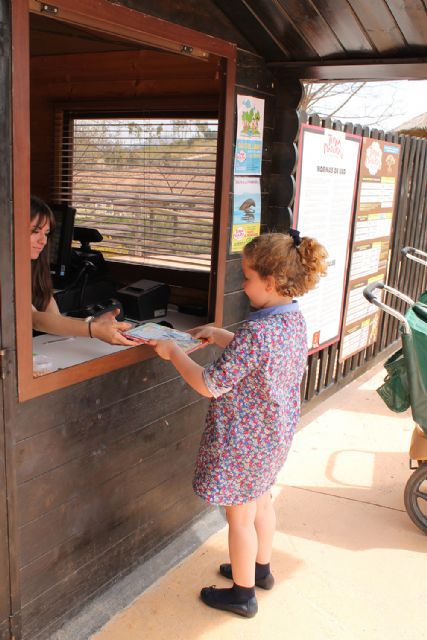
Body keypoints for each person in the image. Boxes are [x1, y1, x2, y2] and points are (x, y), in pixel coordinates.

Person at [148, 231, 328, 618]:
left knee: (239, 518)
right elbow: (260, 357)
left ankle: (243, 594)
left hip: (245, 442)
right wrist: (219, 336)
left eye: (246, 278)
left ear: (272, 281)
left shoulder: (256, 332)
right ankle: (260, 569)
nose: (242, 285)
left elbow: (208, 385)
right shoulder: (291, 318)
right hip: (272, 437)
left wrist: (173, 352)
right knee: (262, 501)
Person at [30, 195, 135, 346]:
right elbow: (33, 319)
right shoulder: (7, 272)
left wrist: (93, 322)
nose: (43, 241)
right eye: (35, 231)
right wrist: (94, 330)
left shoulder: (34, 267)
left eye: (46, 233)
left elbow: (53, 319)